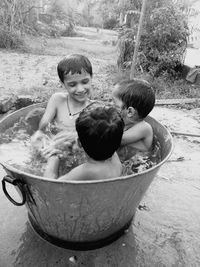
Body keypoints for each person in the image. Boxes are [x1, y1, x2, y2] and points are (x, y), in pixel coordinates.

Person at [31, 54, 94, 179]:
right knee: (36, 138)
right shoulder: (57, 100)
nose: (80, 89)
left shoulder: (94, 109)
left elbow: (93, 140)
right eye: (72, 84)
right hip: (53, 145)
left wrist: (71, 138)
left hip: (75, 152)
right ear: (62, 83)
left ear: (91, 78)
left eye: (85, 82)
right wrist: (46, 143)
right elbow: (43, 126)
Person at [59, 105, 124, 181]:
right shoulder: (114, 159)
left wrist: (54, 158)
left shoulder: (85, 171)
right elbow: (103, 133)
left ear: (79, 143)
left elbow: (52, 185)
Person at [112, 79, 155, 160]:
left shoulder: (144, 128)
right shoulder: (123, 122)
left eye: (114, 103)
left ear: (130, 111)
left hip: (138, 162)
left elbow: (114, 140)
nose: (110, 105)